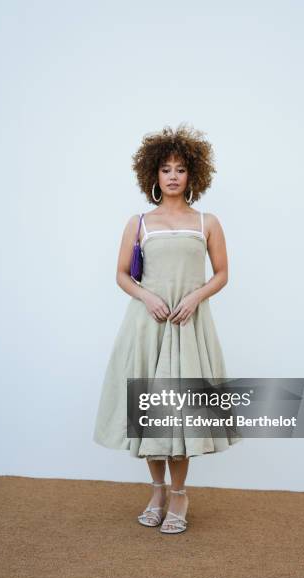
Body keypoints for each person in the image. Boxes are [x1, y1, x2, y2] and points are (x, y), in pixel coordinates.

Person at [93, 123, 242, 534]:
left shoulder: (206, 222)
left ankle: (179, 495)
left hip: (189, 326)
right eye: (165, 169)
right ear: (153, 176)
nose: (173, 175)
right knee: (149, 411)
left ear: (193, 174)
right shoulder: (138, 223)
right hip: (148, 325)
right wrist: (147, 297)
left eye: (180, 169)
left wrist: (195, 297)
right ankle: (156, 490)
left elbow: (223, 273)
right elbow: (122, 276)